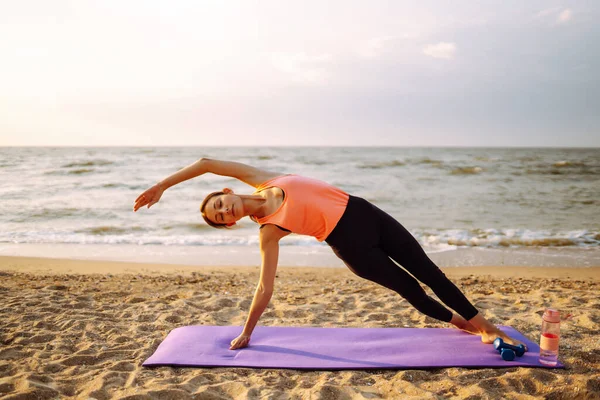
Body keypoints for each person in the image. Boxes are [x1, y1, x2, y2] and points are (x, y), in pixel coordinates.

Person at [133, 158, 527, 351]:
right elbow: (264, 287)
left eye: (219, 204)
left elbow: (205, 163)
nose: (225, 210)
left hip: (368, 215)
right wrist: (247, 331)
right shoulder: (269, 232)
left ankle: (484, 326)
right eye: (220, 217)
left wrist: (161, 186)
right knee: (413, 292)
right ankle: (475, 327)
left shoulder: (260, 178)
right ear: (230, 223)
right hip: (352, 247)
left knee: (431, 271)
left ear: (226, 192)